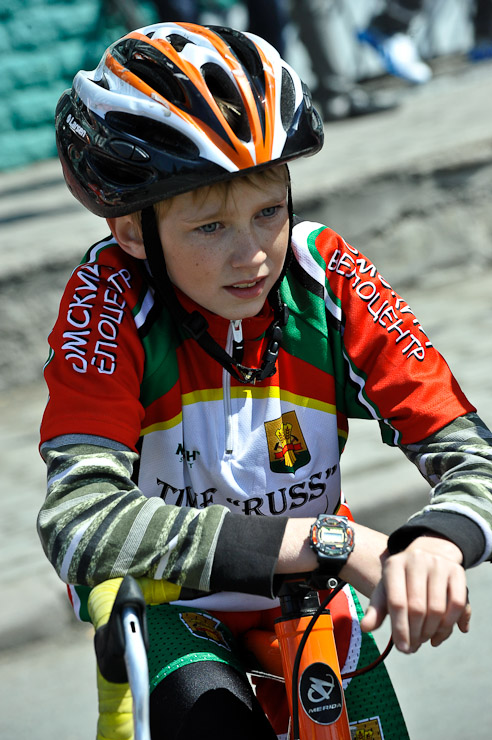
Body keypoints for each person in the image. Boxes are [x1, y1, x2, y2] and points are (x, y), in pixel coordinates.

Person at [37, 21, 492, 740]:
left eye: (269, 211)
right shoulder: (110, 299)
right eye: (209, 228)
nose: (252, 255)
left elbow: (471, 452)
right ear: (130, 231)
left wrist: (439, 539)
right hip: (172, 597)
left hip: (305, 591)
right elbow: (79, 524)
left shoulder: (326, 278)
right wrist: (330, 541)